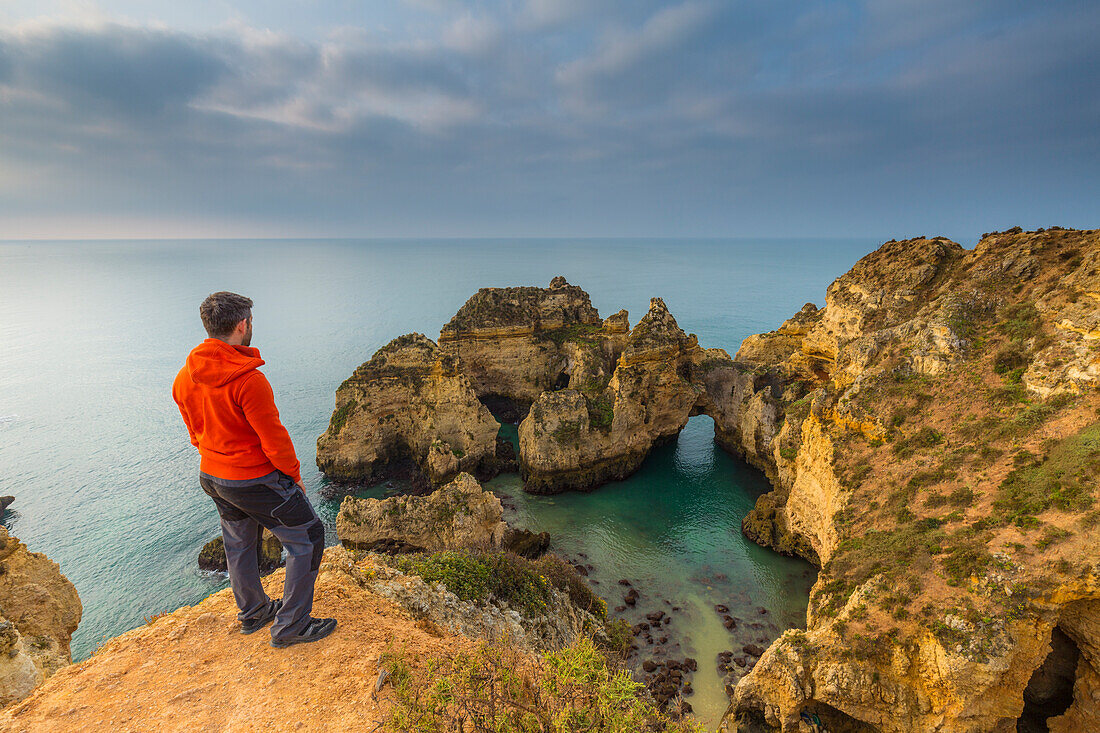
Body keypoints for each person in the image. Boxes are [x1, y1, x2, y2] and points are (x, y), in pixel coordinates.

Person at [172, 291, 336, 647]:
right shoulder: (249, 381)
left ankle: (254, 612)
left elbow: (194, 432)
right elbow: (274, 440)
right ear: (243, 325)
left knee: (239, 544)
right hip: (252, 479)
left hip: (212, 476)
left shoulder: (186, 377)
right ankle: (291, 625)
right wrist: (294, 477)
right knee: (307, 538)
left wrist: (216, 457)